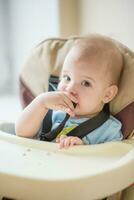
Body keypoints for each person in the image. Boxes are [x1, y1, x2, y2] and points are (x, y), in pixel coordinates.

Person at [15, 35, 123, 149]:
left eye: (86, 83)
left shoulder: (109, 130)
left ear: (107, 94)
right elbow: (22, 134)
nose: (70, 88)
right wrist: (41, 102)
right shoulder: (49, 111)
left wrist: (83, 148)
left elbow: (113, 160)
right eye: (67, 78)